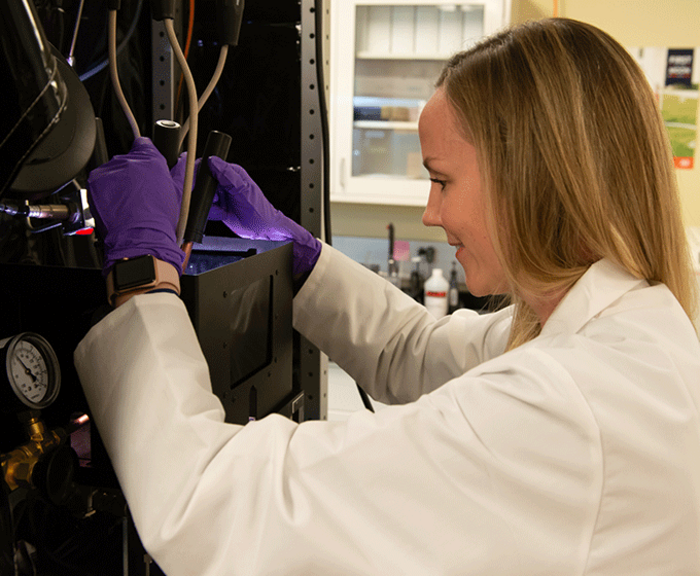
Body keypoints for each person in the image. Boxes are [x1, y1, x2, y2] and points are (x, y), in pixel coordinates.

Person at [75, 18, 700, 575]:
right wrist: (306, 260)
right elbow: (418, 351)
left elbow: (209, 504)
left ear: (532, 176)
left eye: (441, 179)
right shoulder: (626, 325)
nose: (430, 212)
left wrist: (142, 274)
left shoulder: (562, 409)